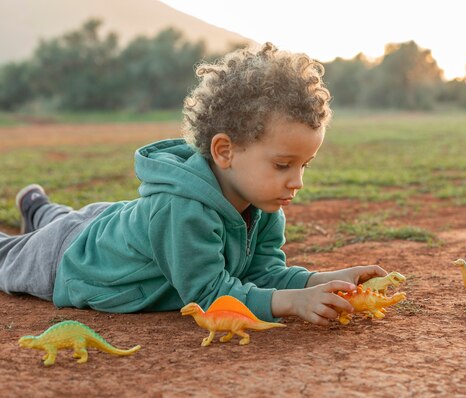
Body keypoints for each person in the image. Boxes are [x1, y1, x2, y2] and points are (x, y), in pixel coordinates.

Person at [0, 42, 387, 325]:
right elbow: (208, 294)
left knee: (65, 219)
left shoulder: (264, 203)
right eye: (283, 164)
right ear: (225, 151)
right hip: (70, 259)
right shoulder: (183, 210)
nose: (297, 181)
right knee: (10, 256)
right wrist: (291, 302)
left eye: (305, 165)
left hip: (113, 224)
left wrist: (322, 280)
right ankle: (40, 216)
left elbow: (262, 275)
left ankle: (38, 208)